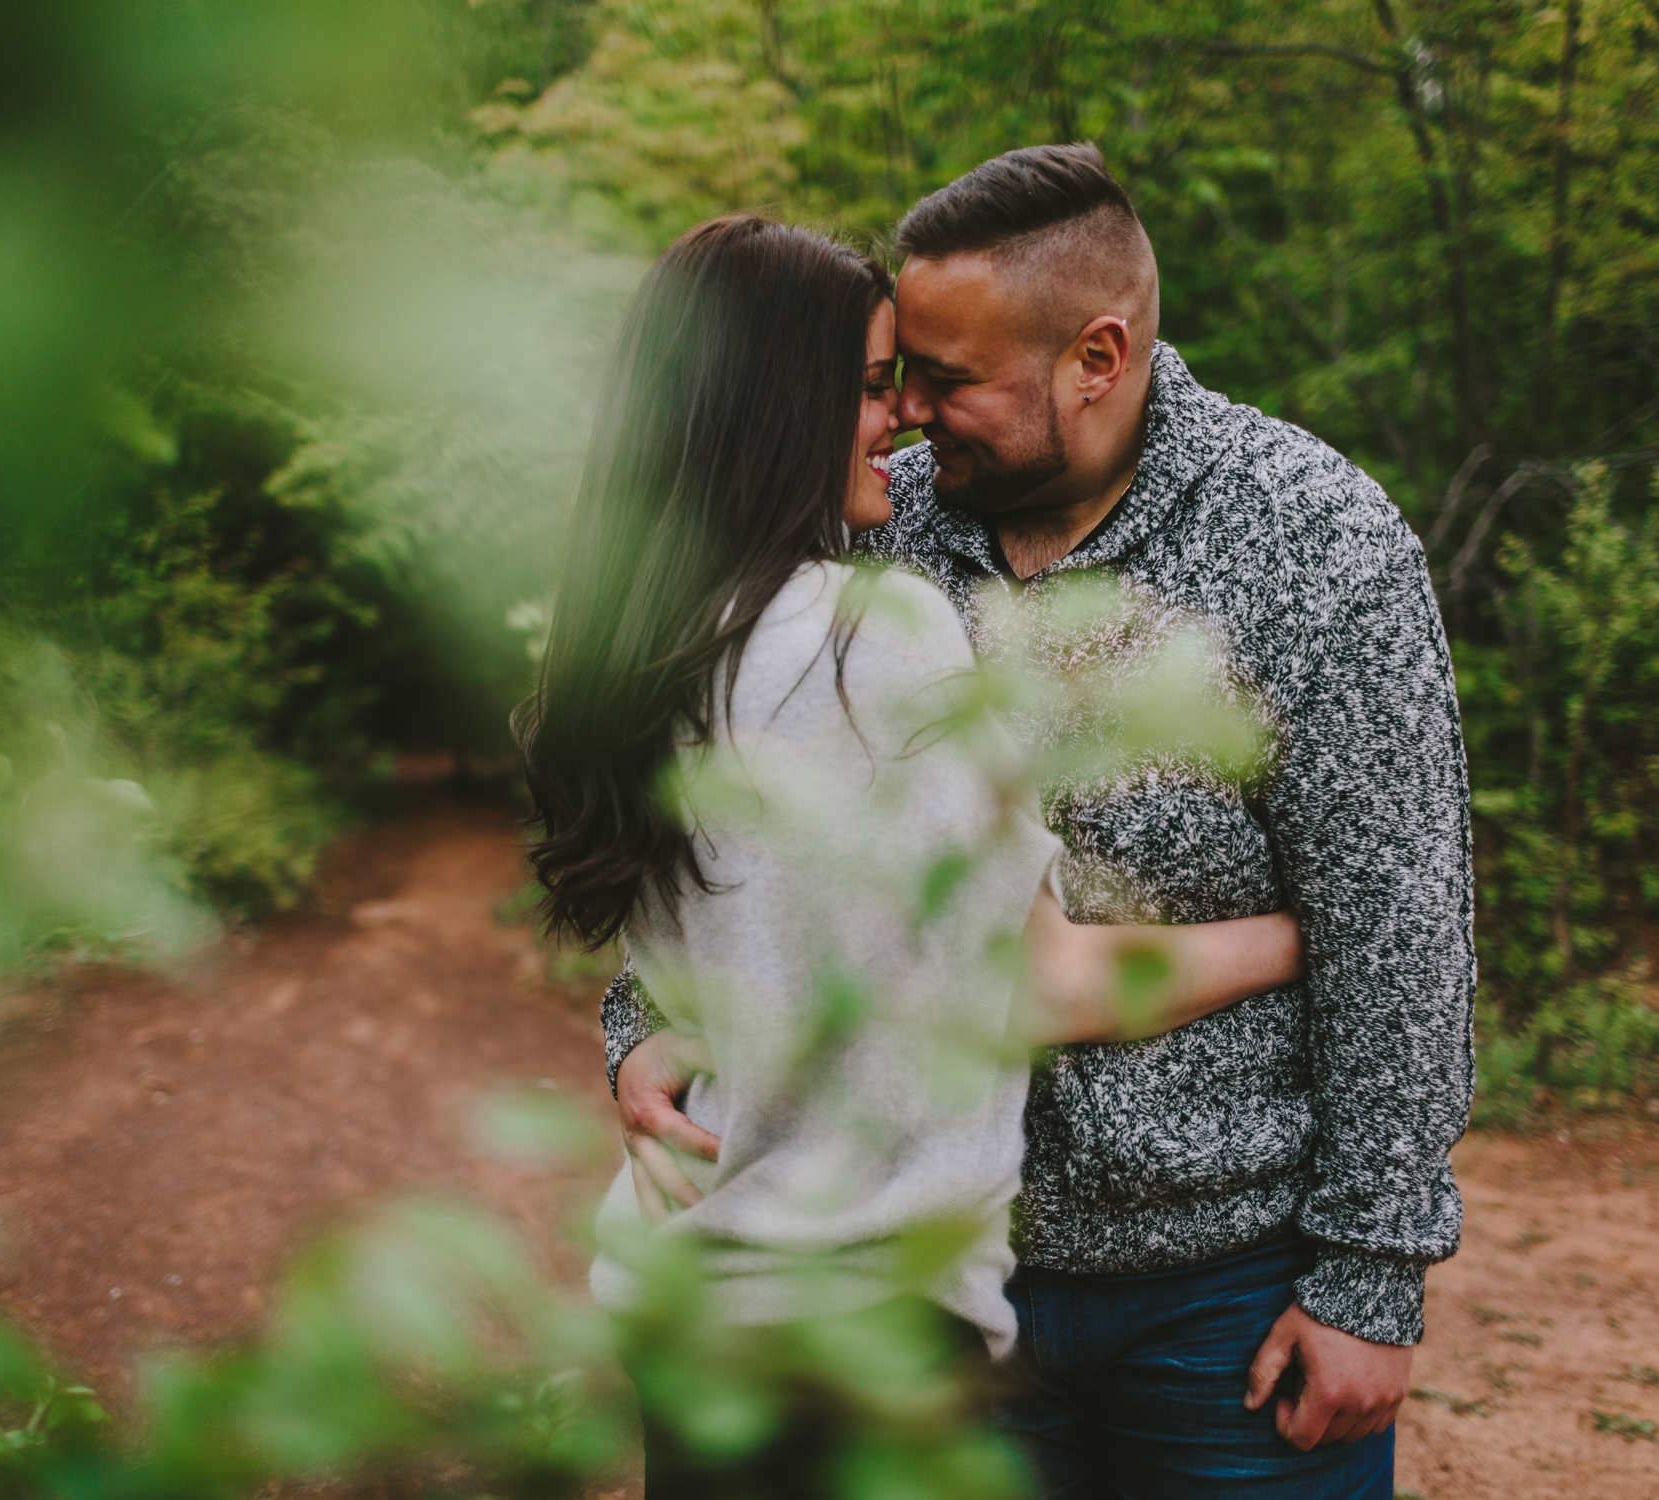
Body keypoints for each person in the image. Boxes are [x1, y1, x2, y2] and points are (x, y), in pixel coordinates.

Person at [606, 148, 1476, 1498]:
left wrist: (1370, 1274)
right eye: (892, 379)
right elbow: (727, 820)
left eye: (944, 381)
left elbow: (1404, 927)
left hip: (1217, 1301)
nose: (905, 417)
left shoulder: (1314, 540)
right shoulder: (864, 538)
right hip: (924, 1292)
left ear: (1097, 354)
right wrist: (640, 1026)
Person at [517, 213, 1309, 1499]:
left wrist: (643, 1043)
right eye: (877, 384)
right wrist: (1303, 932)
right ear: (783, 401)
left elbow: (728, 968)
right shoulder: (869, 636)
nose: (907, 421)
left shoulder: (634, 649)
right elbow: (1045, 988)